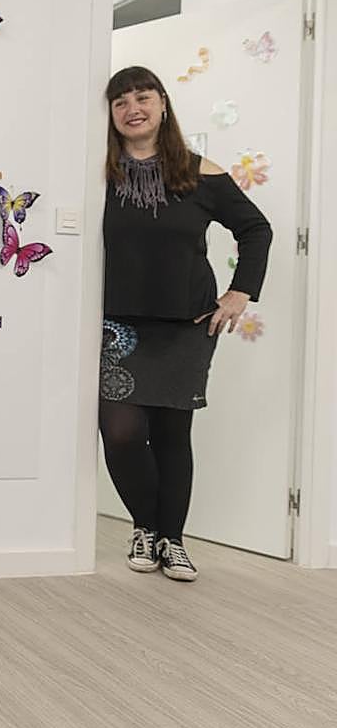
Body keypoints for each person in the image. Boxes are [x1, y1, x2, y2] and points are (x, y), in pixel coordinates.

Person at [100, 66, 272, 582]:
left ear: (162, 104)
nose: (133, 107)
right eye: (121, 101)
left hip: (186, 325)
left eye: (143, 97)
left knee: (174, 434)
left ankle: (171, 540)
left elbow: (256, 229)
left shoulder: (202, 173)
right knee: (123, 434)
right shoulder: (97, 171)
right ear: (110, 114)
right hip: (117, 326)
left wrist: (240, 294)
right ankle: (145, 526)